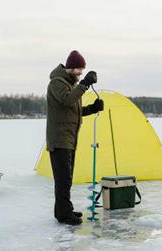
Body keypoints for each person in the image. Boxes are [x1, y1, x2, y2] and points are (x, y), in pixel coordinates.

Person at [46, 50, 104, 225]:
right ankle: (64, 215)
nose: (80, 73)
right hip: (59, 139)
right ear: (70, 68)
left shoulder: (71, 85)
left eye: (82, 70)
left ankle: (63, 211)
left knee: (66, 179)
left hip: (69, 139)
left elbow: (74, 111)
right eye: (79, 69)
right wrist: (85, 84)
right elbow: (67, 100)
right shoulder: (57, 83)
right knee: (63, 180)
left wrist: (92, 109)